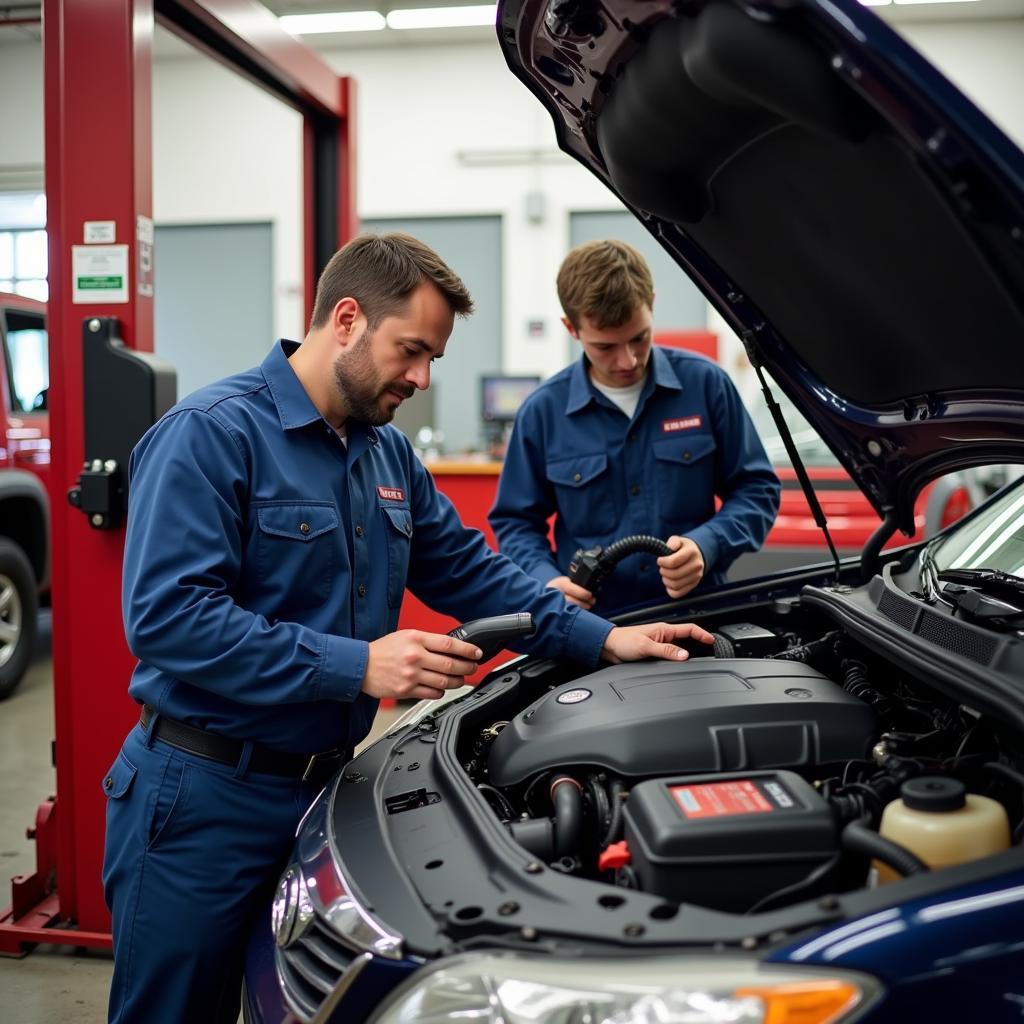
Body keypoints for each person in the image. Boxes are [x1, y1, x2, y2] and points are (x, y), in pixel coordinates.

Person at [101, 232, 715, 1024]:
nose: (422, 380)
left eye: (435, 359)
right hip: (203, 798)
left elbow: (473, 570)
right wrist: (356, 665)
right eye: (412, 351)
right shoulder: (213, 435)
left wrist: (603, 639)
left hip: (322, 793)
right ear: (347, 319)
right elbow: (167, 617)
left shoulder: (386, 455)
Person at [489, 239, 781, 616]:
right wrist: (545, 579)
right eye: (605, 346)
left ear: (652, 304)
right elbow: (515, 522)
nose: (627, 360)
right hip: (593, 628)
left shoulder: (707, 386)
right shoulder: (543, 412)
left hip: (700, 615)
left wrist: (707, 546)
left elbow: (758, 491)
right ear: (571, 328)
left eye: (639, 338)